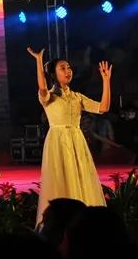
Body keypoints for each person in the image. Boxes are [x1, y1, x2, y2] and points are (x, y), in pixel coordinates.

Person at [27, 47, 112, 225]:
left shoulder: (76, 97)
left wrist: (106, 80)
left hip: (77, 140)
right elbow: (42, 87)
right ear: (54, 74)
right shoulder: (49, 96)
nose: (68, 71)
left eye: (69, 68)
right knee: (61, 178)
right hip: (58, 140)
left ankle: (83, 218)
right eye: (63, 68)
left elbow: (103, 107)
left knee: (80, 177)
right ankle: (61, 220)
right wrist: (39, 61)